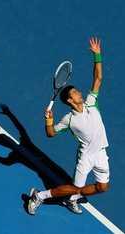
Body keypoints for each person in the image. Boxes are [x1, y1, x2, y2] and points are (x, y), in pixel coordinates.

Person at [28, 37, 110, 215]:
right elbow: (50, 133)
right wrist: (48, 120)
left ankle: (71, 198)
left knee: (102, 187)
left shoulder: (91, 102)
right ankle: (39, 195)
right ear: (69, 100)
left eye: (78, 91)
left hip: (101, 153)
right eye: (75, 93)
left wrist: (97, 56)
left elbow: (98, 78)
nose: (80, 93)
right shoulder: (69, 120)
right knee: (74, 186)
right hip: (86, 157)